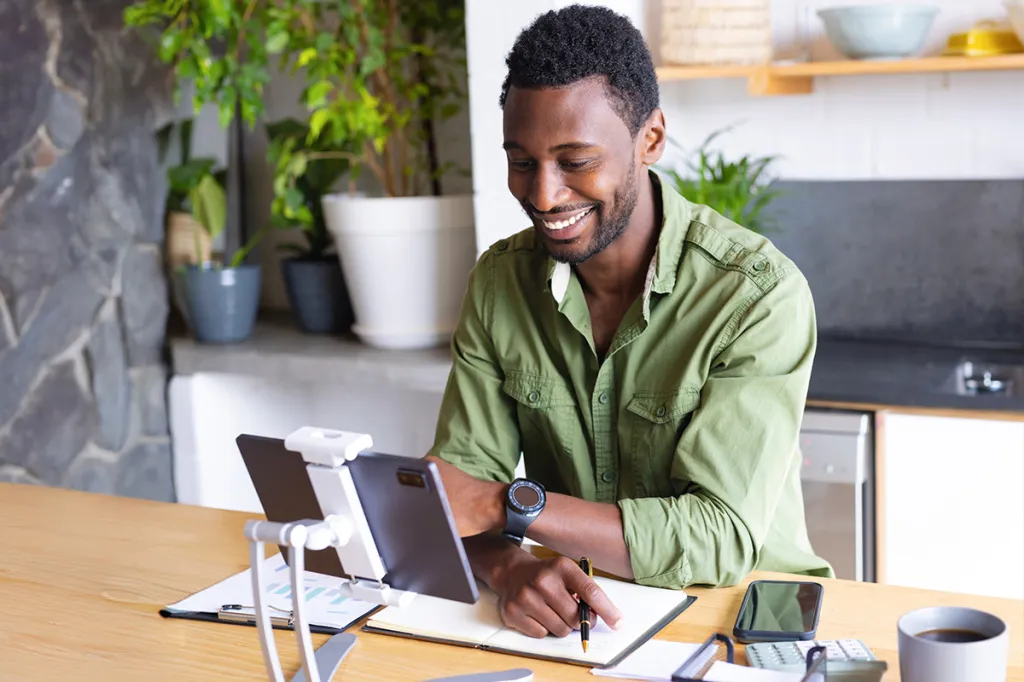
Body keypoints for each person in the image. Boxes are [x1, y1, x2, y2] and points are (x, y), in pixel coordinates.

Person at [425, 4, 833, 640]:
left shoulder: (756, 296)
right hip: (587, 625)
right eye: (522, 161)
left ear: (651, 139)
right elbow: (455, 496)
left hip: (742, 624)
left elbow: (720, 537)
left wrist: (511, 506)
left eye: (575, 160)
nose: (544, 195)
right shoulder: (499, 283)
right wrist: (508, 571)